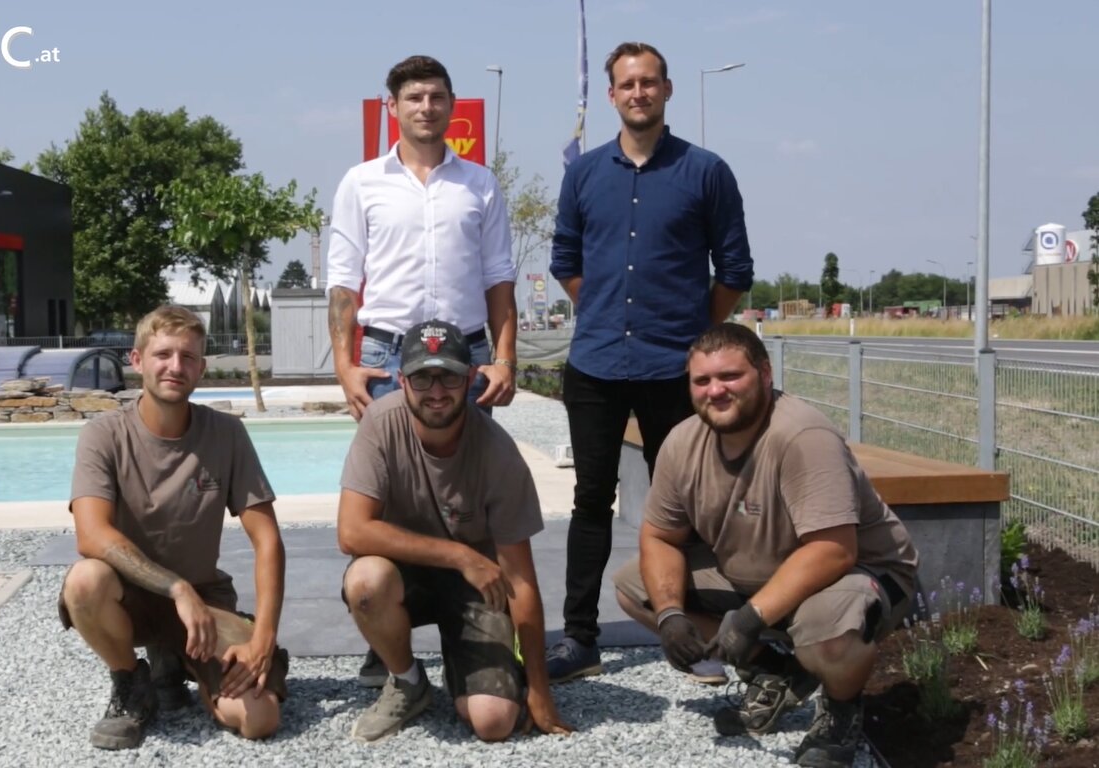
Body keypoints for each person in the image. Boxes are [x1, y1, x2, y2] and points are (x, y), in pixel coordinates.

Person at [612, 322, 919, 767]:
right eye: (702, 380)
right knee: (635, 588)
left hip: (858, 572)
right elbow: (659, 537)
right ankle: (775, 671)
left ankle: (841, 710)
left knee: (828, 632)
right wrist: (671, 615)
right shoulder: (682, 443)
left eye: (730, 376)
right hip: (759, 573)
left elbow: (834, 549)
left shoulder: (802, 437)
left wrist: (750, 617)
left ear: (765, 374)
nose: (715, 390)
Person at [545, 41, 755, 683]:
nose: (638, 93)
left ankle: (702, 635)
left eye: (649, 82)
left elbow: (735, 270)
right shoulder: (583, 174)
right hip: (596, 366)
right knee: (590, 499)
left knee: (690, 502)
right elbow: (564, 260)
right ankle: (579, 638)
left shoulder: (706, 171)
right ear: (612, 95)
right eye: (627, 84)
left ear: (666, 90)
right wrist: (604, 310)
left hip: (675, 371)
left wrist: (694, 332)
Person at [59, 305, 289, 750]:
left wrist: (264, 637)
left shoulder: (226, 434)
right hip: (130, 599)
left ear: (201, 367)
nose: (175, 367)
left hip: (206, 603)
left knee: (258, 719)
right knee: (85, 581)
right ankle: (131, 682)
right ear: (137, 360)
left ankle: (182, 664)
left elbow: (267, 540)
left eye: (188, 357)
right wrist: (177, 589)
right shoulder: (103, 436)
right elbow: (91, 535)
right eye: (163, 354)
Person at [336, 320, 573, 743]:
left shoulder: (499, 453)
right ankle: (407, 681)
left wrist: (540, 688)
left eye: (448, 376)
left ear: (470, 378)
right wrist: (460, 556)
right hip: (410, 574)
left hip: (475, 589)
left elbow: (520, 579)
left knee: (493, 722)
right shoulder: (380, 423)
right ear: (402, 380)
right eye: (422, 377)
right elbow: (351, 532)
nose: (436, 391)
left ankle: (469, 666)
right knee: (365, 582)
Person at [326, 54, 519, 425]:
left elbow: (499, 277)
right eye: (414, 98)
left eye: (436, 97)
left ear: (452, 104)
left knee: (471, 464)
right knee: (390, 462)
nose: (426, 107)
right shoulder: (361, 183)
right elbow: (343, 281)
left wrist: (505, 361)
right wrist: (343, 368)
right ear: (393, 106)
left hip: (467, 357)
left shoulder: (481, 184)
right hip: (387, 359)